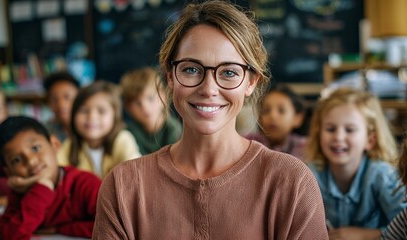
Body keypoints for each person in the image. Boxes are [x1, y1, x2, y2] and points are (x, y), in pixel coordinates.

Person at [92, 1, 328, 239]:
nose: (208, 88)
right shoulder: (123, 187)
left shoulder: (291, 183)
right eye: (192, 69)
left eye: (229, 72)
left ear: (251, 82)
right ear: (170, 77)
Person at [307, 88, 405, 240]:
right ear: (319, 133)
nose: (338, 137)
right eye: (330, 129)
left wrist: (365, 235)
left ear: (370, 140)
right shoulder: (310, 175)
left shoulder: (382, 175)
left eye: (350, 130)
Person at [0, 116, 101, 239]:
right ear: (9, 173)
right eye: (16, 160)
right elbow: (5, 237)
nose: (31, 161)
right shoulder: (21, 193)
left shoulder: (85, 183)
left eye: (35, 148)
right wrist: (42, 189)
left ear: (54, 144)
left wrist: (60, 229)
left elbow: (113, 227)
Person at [57, 81, 141, 178]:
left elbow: (136, 173)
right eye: (84, 110)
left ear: (115, 116)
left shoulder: (122, 139)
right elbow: (58, 176)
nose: (92, 117)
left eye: (101, 111)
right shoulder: (69, 146)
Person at [120, 66, 182, 155]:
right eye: (137, 103)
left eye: (151, 98)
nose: (145, 107)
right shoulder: (127, 133)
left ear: (163, 97)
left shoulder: (174, 130)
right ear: (128, 107)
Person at [245, 83, 308, 161]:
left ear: (297, 118)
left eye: (281, 111)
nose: (272, 116)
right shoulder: (247, 143)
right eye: (266, 111)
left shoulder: (306, 149)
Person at [43, 71, 80, 142]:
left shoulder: (91, 127)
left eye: (67, 97)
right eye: (54, 99)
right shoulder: (46, 131)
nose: (61, 105)